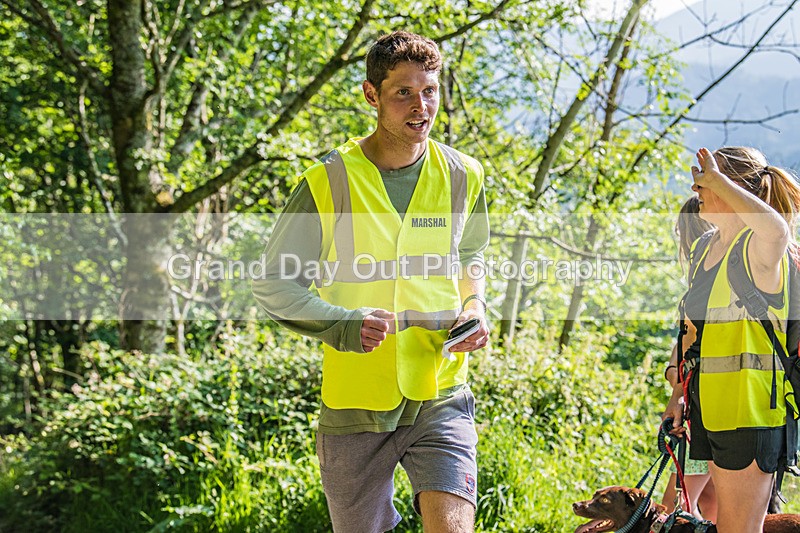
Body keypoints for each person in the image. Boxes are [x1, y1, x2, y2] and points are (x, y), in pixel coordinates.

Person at [253, 31, 490, 533]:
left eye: (429, 90)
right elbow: (273, 283)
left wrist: (475, 305)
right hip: (354, 405)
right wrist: (342, 323)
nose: (421, 106)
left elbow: (470, 254)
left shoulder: (464, 175)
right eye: (403, 92)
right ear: (371, 95)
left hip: (441, 392)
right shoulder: (327, 181)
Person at [662, 147, 800, 532]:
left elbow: (777, 230)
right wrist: (678, 398)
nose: (696, 187)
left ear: (734, 188)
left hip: (751, 416)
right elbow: (694, 333)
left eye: (705, 179)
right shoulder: (705, 247)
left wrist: (719, 181)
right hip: (708, 412)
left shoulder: (759, 250)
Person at [661, 196, 717, 522]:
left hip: (701, 410)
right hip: (721, 406)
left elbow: (690, 340)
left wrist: (676, 392)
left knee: (672, 511)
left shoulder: (704, 275)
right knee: (712, 506)